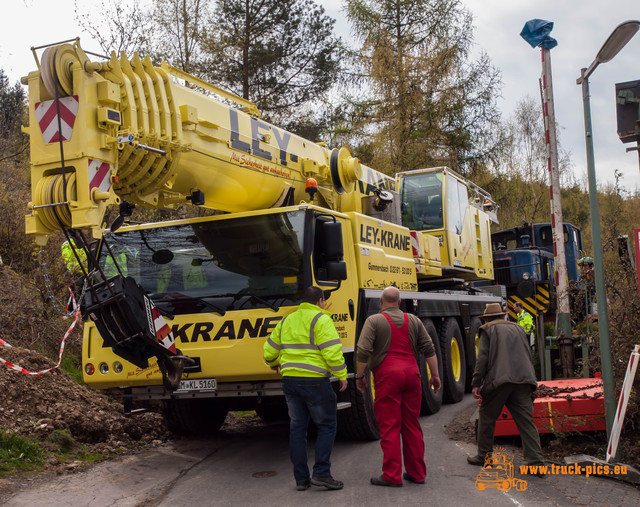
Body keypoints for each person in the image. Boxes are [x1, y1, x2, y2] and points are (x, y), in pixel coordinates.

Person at [263, 286, 348, 491]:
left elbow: (269, 351)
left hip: (290, 380)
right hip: (314, 381)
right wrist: (342, 375)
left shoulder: (286, 320)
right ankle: (321, 474)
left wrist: (273, 362)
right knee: (327, 425)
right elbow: (332, 352)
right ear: (320, 301)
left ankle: (301, 480)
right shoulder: (321, 320)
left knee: (297, 429)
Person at [355, 286, 441, 487]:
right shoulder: (414, 320)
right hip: (412, 375)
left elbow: (363, 350)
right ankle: (417, 473)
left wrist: (359, 376)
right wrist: (435, 375)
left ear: (381, 303)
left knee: (390, 425)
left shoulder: (374, 320)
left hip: (388, 377)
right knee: (411, 424)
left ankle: (392, 475)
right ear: (399, 303)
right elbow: (429, 348)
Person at [467, 302, 545, 471]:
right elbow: (528, 353)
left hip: (499, 381)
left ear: (486, 318)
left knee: (487, 418)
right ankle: (536, 463)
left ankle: (484, 457)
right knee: (526, 422)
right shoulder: (518, 328)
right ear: (502, 315)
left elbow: (482, 359)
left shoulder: (487, 329)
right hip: (523, 380)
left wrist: (476, 382)